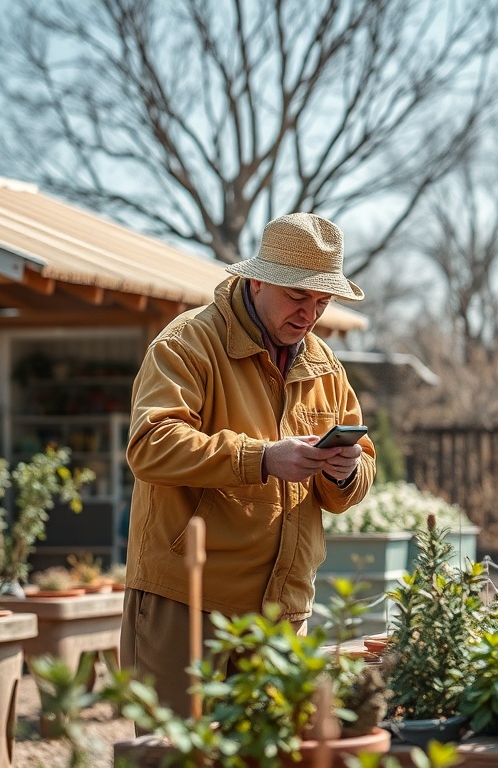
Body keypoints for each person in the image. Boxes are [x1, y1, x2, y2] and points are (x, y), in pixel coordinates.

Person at [120, 211, 377, 718]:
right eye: (298, 298)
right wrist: (260, 458)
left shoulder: (326, 365)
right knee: (176, 756)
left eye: (322, 302)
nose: (310, 314)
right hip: (187, 602)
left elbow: (360, 472)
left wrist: (345, 470)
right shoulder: (187, 342)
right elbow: (150, 444)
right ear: (257, 280)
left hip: (284, 611)